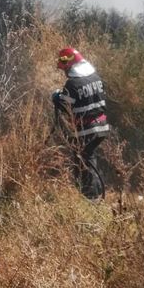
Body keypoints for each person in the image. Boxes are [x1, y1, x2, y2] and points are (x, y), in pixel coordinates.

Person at [52, 46, 109, 200]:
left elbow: (65, 106)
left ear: (70, 65)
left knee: (83, 163)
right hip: (102, 127)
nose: (64, 72)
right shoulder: (95, 77)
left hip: (86, 130)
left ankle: (92, 199)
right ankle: (95, 195)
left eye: (65, 68)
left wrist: (57, 97)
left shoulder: (72, 84)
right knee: (90, 159)